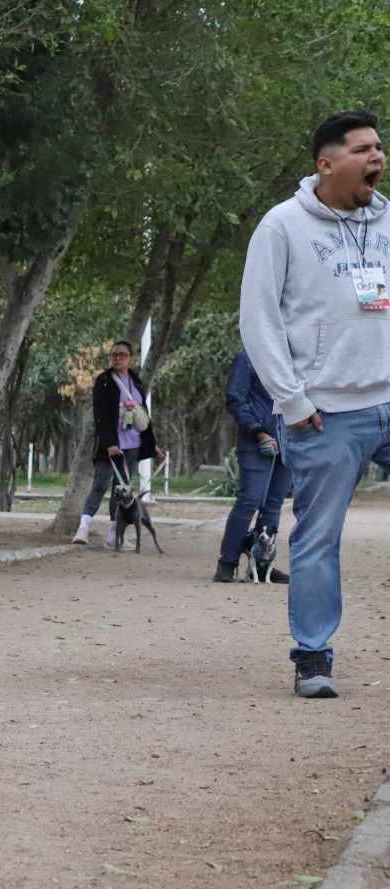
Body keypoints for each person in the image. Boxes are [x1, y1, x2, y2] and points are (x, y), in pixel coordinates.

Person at [240, 109, 390, 699]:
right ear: (327, 164)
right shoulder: (281, 227)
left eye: (379, 147)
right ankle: (313, 656)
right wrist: (292, 399)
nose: (377, 158)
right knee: (319, 537)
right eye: (363, 150)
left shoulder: (387, 222)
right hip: (324, 413)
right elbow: (258, 320)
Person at [71, 341, 165, 546]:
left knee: (121, 491)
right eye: (114, 355)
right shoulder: (103, 381)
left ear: (130, 357)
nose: (117, 358)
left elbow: (142, 415)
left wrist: (152, 444)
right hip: (111, 446)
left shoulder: (136, 381)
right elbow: (101, 416)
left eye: (122, 355)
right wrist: (110, 442)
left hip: (132, 445)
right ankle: (83, 529)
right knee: (100, 485)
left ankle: (113, 535)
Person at [214, 349, 291, 583]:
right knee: (250, 500)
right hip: (257, 440)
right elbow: (235, 398)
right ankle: (227, 562)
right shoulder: (248, 357)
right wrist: (258, 431)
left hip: (289, 439)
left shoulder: (298, 357)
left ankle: (261, 563)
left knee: (274, 504)